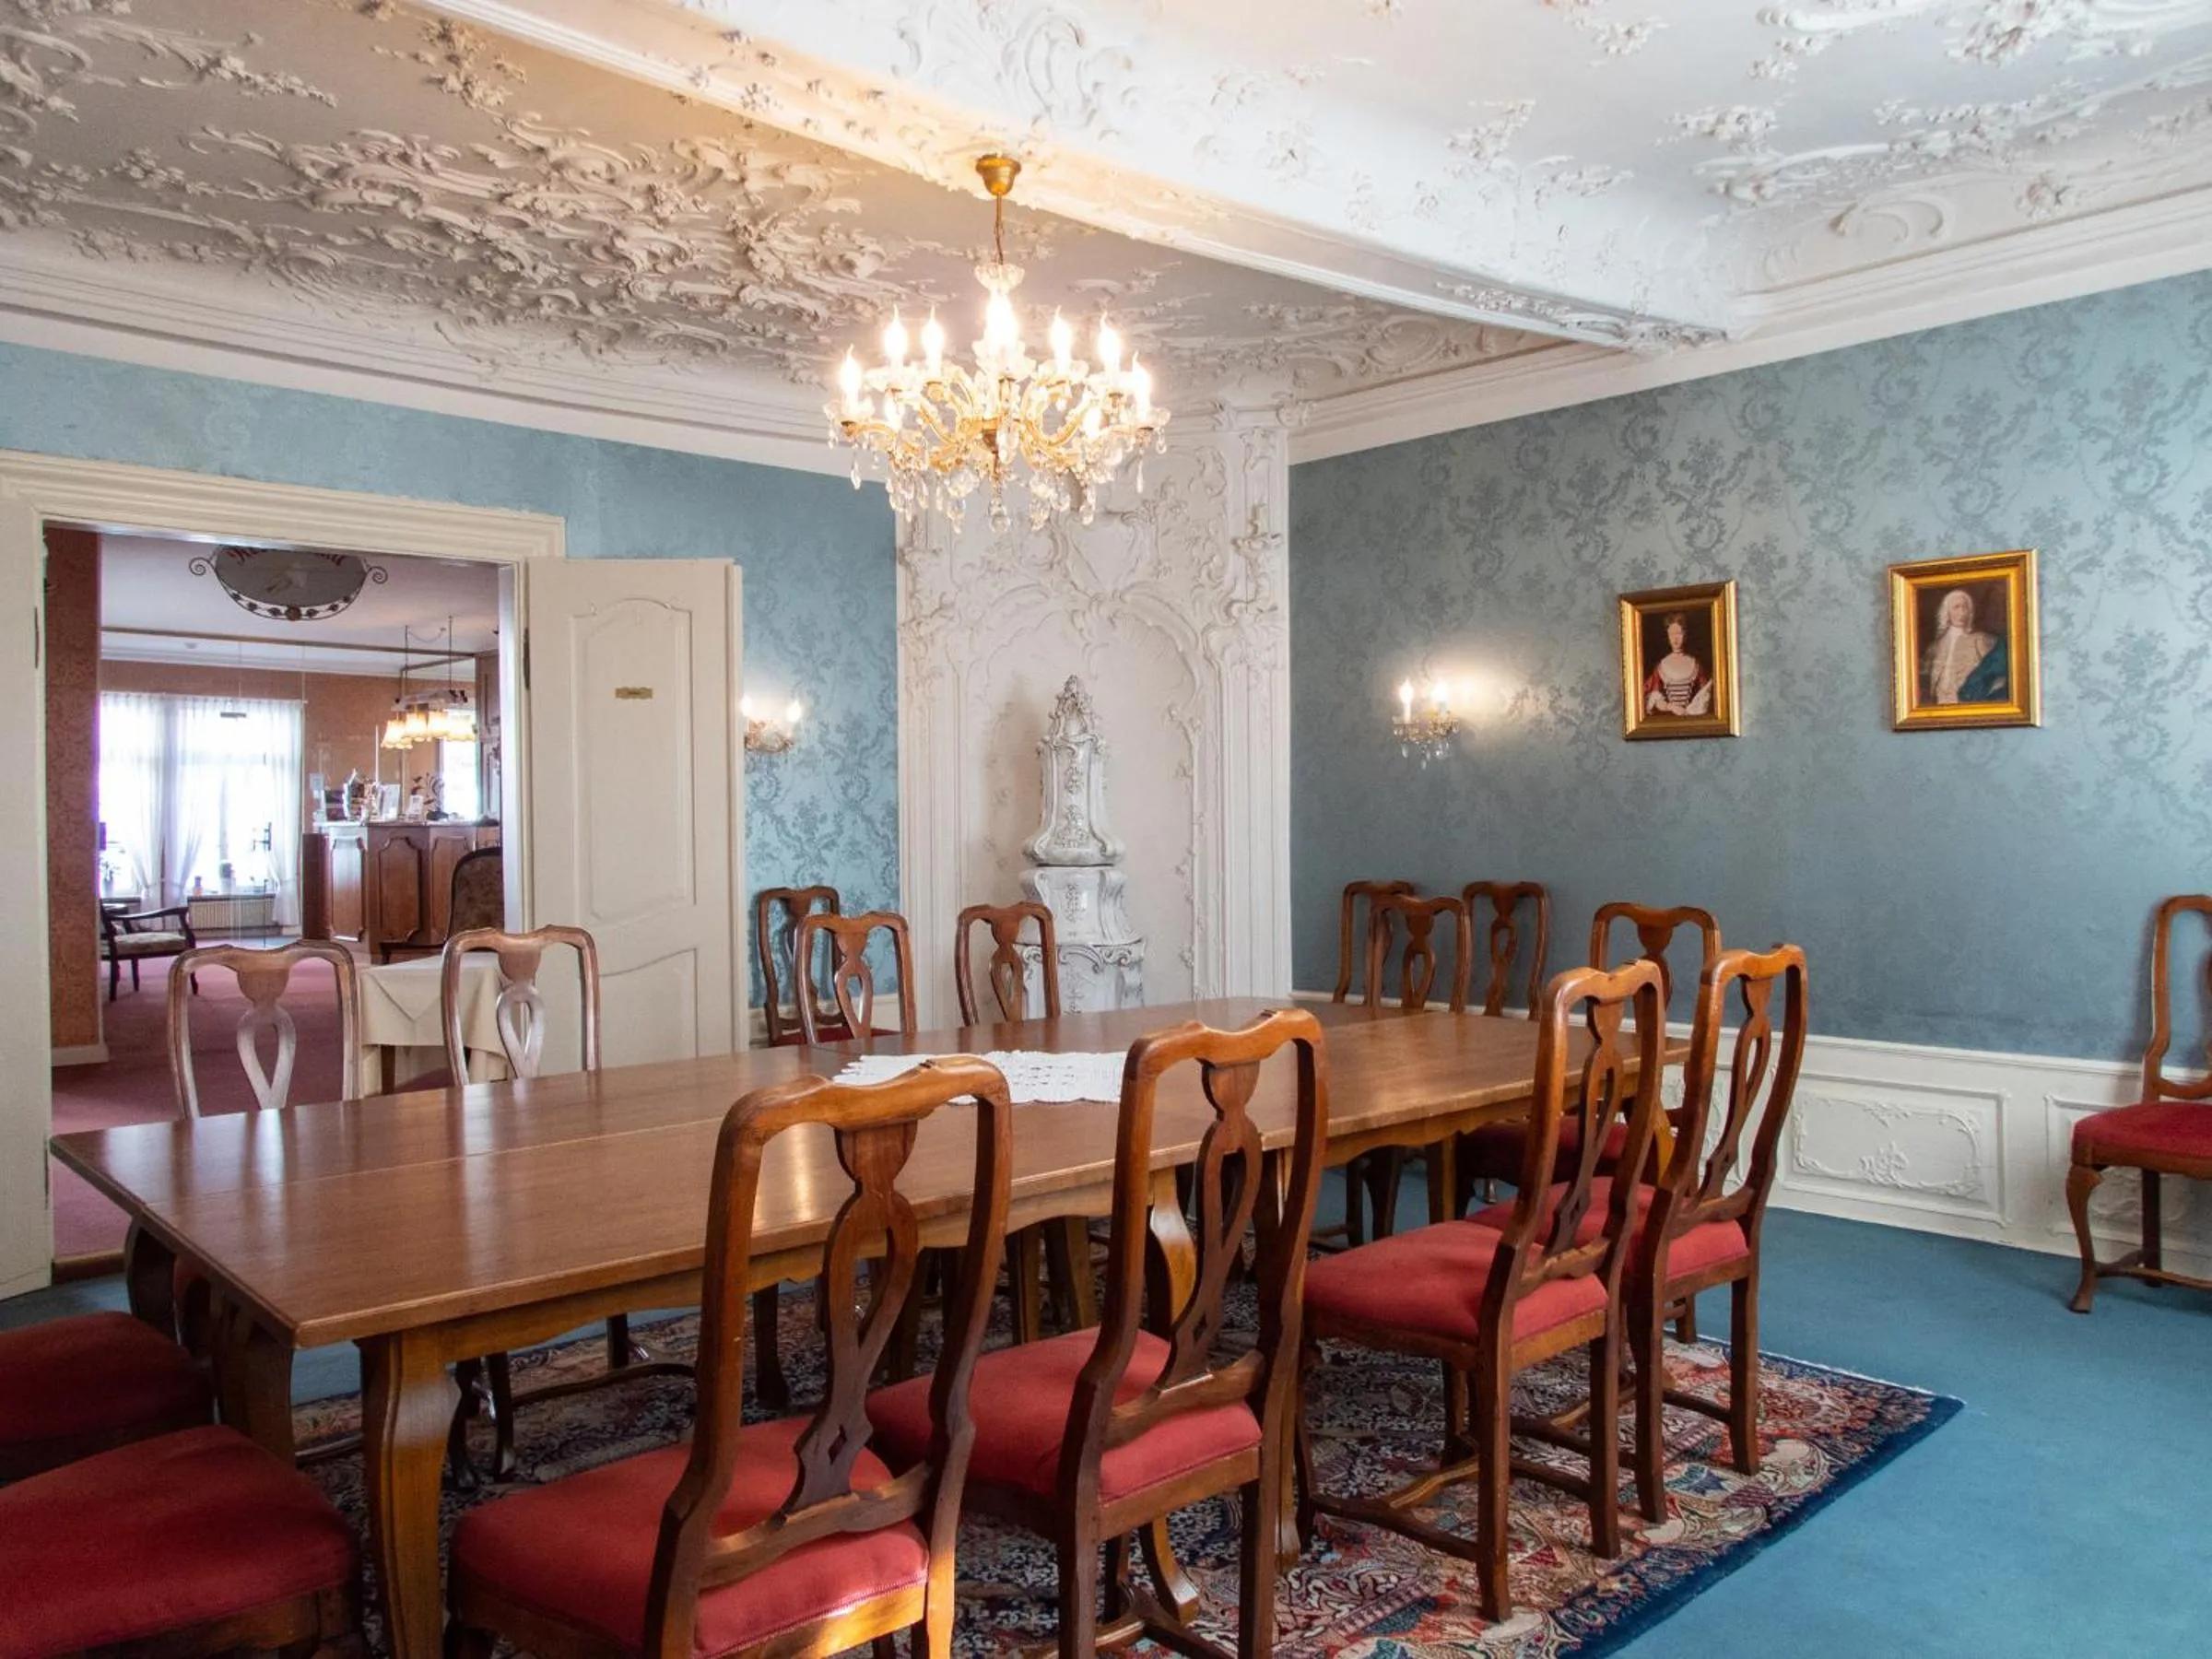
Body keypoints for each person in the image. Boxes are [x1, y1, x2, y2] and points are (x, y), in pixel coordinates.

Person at [1921, 587, 2006, 704]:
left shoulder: (1980, 640)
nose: (1961, 613)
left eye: (1965, 608)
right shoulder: (1935, 647)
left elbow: (1998, 676)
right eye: (1956, 607)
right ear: (1947, 612)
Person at [1643, 612, 1712, 717]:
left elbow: (1705, 694)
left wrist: (1691, 710)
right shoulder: (1662, 665)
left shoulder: (1695, 664)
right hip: (1669, 720)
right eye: (1671, 634)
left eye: (1679, 634)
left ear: (1685, 634)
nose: (1675, 639)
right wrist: (1671, 707)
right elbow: (1654, 696)